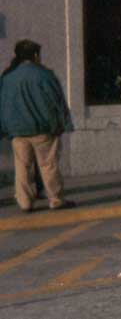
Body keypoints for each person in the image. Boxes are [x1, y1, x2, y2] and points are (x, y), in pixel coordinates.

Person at [0, 40, 75, 212]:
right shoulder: (44, 75)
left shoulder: (7, 77)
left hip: (17, 130)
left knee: (22, 167)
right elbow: (56, 102)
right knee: (48, 165)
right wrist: (61, 124)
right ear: (35, 55)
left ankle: (25, 203)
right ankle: (56, 200)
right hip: (42, 129)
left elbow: (3, 104)